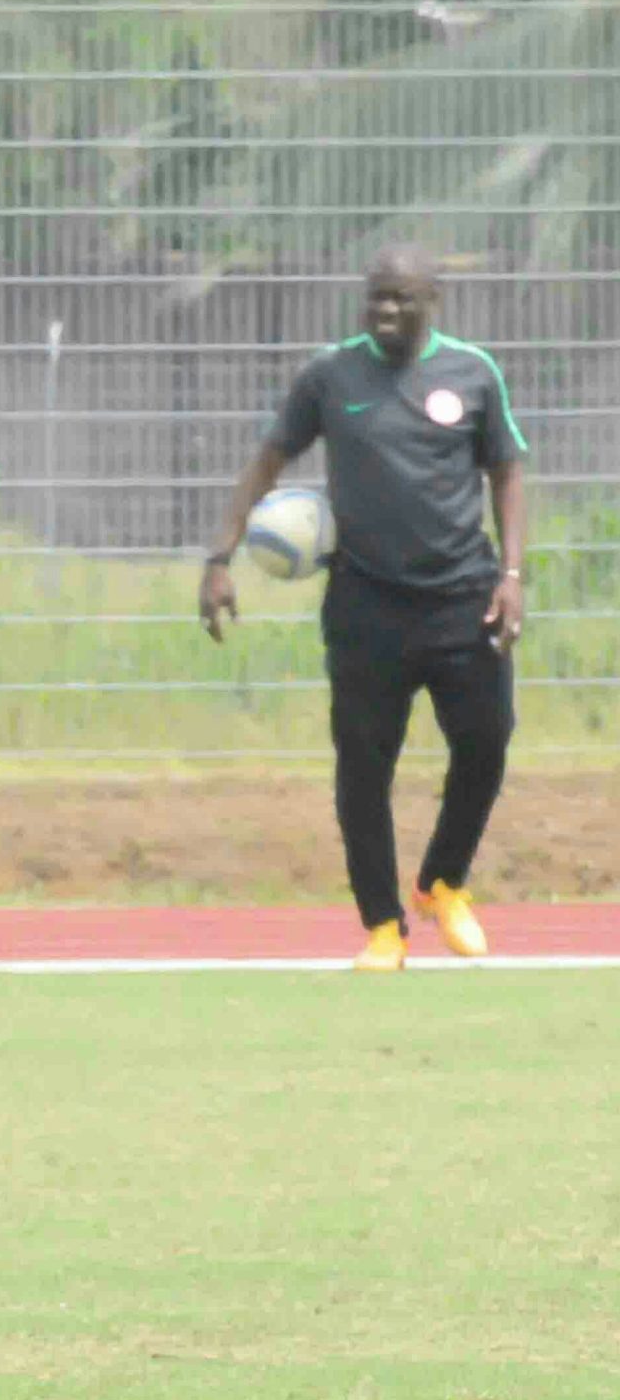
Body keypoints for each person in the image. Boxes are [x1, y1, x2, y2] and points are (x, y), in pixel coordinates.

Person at [201, 245, 528, 972]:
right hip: (366, 606)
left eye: (401, 298)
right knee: (363, 766)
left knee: (486, 740)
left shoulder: (472, 372)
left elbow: (507, 471)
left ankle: (442, 883)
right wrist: (220, 557)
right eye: (376, 295)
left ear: (431, 300)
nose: (385, 309)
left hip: (464, 598)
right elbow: (266, 462)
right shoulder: (330, 375)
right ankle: (383, 926)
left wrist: (511, 575)